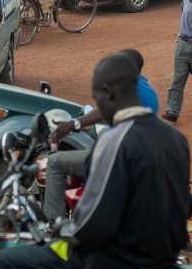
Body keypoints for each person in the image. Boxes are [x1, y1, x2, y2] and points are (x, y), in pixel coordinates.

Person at [0, 53, 190, 269]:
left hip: (118, 264)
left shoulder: (114, 140)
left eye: (96, 96)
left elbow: (94, 224)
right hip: (163, 257)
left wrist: (63, 229)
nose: (97, 103)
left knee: (5, 265)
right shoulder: (176, 139)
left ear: (107, 92)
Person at [42, 48, 158, 222]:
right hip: (135, 154)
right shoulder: (147, 90)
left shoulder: (131, 87)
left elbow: (104, 109)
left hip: (117, 158)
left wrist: (74, 123)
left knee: (55, 162)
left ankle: (53, 224)